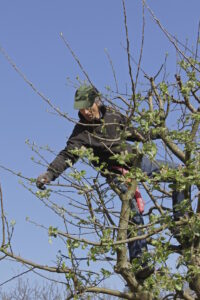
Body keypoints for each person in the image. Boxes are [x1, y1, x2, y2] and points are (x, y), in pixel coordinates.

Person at [36, 84, 188, 280]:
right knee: (132, 208)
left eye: (88, 107)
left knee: (180, 174)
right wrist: (49, 174)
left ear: (97, 102)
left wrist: (156, 133)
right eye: (81, 109)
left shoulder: (113, 115)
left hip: (136, 161)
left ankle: (181, 224)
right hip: (115, 172)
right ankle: (140, 262)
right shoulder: (81, 132)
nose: (85, 112)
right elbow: (67, 155)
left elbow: (134, 132)